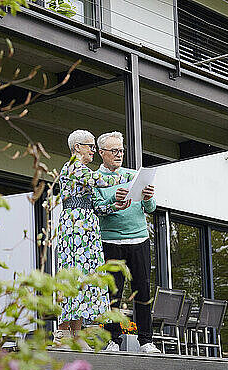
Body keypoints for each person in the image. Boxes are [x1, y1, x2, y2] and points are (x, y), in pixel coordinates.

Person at [54, 129, 133, 350]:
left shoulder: (82, 170)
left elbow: (96, 206)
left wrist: (113, 206)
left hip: (87, 226)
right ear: (77, 147)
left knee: (84, 279)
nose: (92, 150)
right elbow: (99, 179)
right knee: (73, 275)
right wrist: (132, 177)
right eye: (89, 146)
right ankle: (62, 333)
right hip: (75, 228)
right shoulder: (73, 166)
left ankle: (77, 335)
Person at [94, 131, 161, 354]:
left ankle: (146, 341)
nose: (119, 154)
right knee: (113, 292)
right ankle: (113, 340)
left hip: (139, 239)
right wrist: (114, 199)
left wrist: (150, 197)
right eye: (114, 151)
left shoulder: (134, 175)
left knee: (142, 290)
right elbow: (98, 210)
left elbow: (150, 209)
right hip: (111, 241)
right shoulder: (95, 180)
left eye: (121, 150)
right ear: (102, 153)